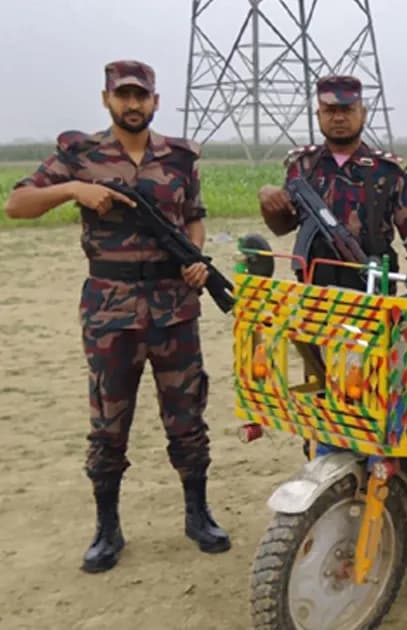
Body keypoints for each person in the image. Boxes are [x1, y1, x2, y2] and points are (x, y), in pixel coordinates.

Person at [4, 60, 230, 573]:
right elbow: (17, 205)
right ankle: (107, 528)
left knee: (188, 417)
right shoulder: (79, 153)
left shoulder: (179, 157)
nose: (133, 105)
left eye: (141, 96)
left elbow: (193, 219)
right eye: (123, 96)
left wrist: (194, 259)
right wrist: (72, 190)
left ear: (155, 100)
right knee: (109, 423)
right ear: (107, 99)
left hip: (174, 308)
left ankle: (198, 514)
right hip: (111, 309)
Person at [258, 74, 407, 290]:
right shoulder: (303, 167)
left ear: (363, 114)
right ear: (318, 115)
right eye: (330, 110)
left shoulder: (387, 171)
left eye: (347, 110)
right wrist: (268, 200)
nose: (338, 118)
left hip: (371, 288)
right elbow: (282, 226)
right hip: (315, 289)